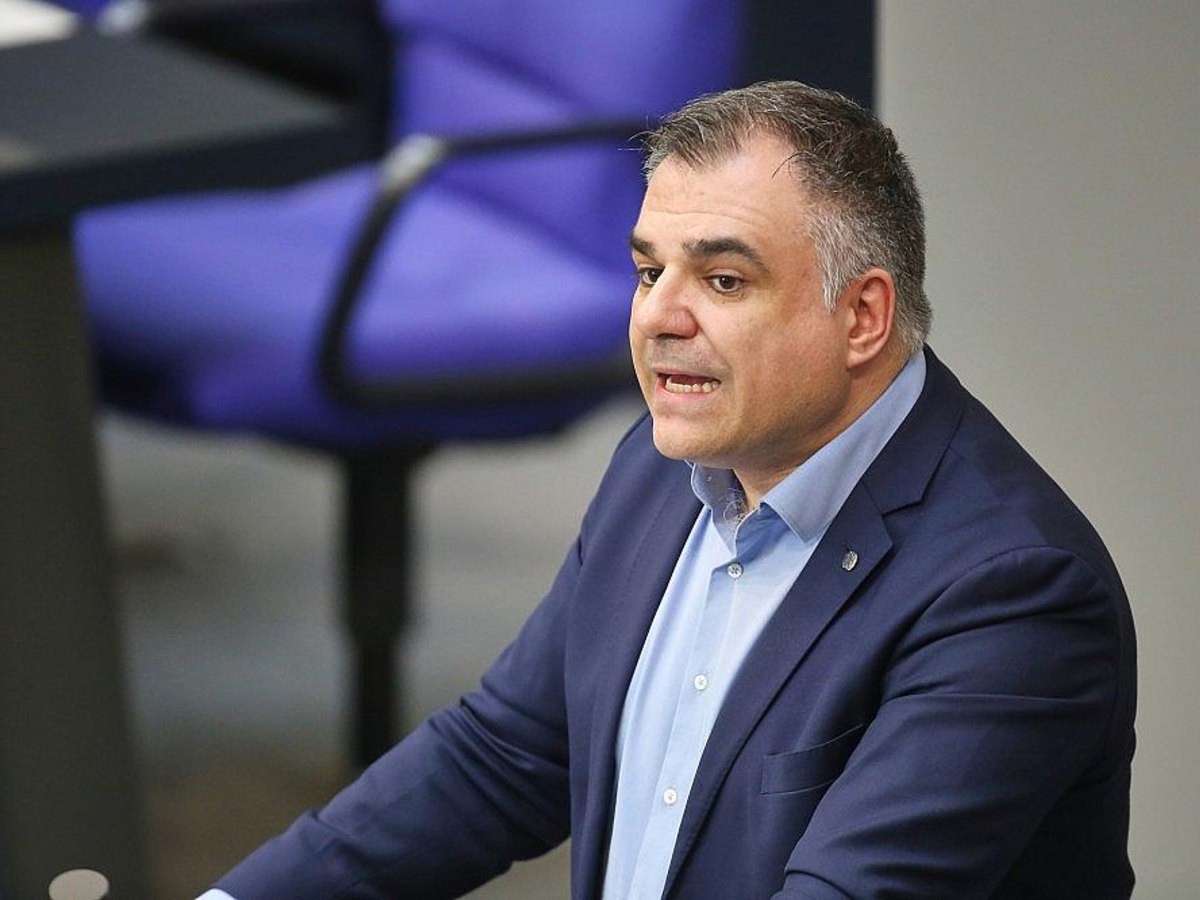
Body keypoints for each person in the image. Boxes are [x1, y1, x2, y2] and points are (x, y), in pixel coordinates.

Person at [201, 81, 1136, 899]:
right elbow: (506, 756)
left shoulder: (1014, 595)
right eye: (650, 271)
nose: (657, 317)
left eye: (722, 281)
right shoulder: (669, 464)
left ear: (862, 316)